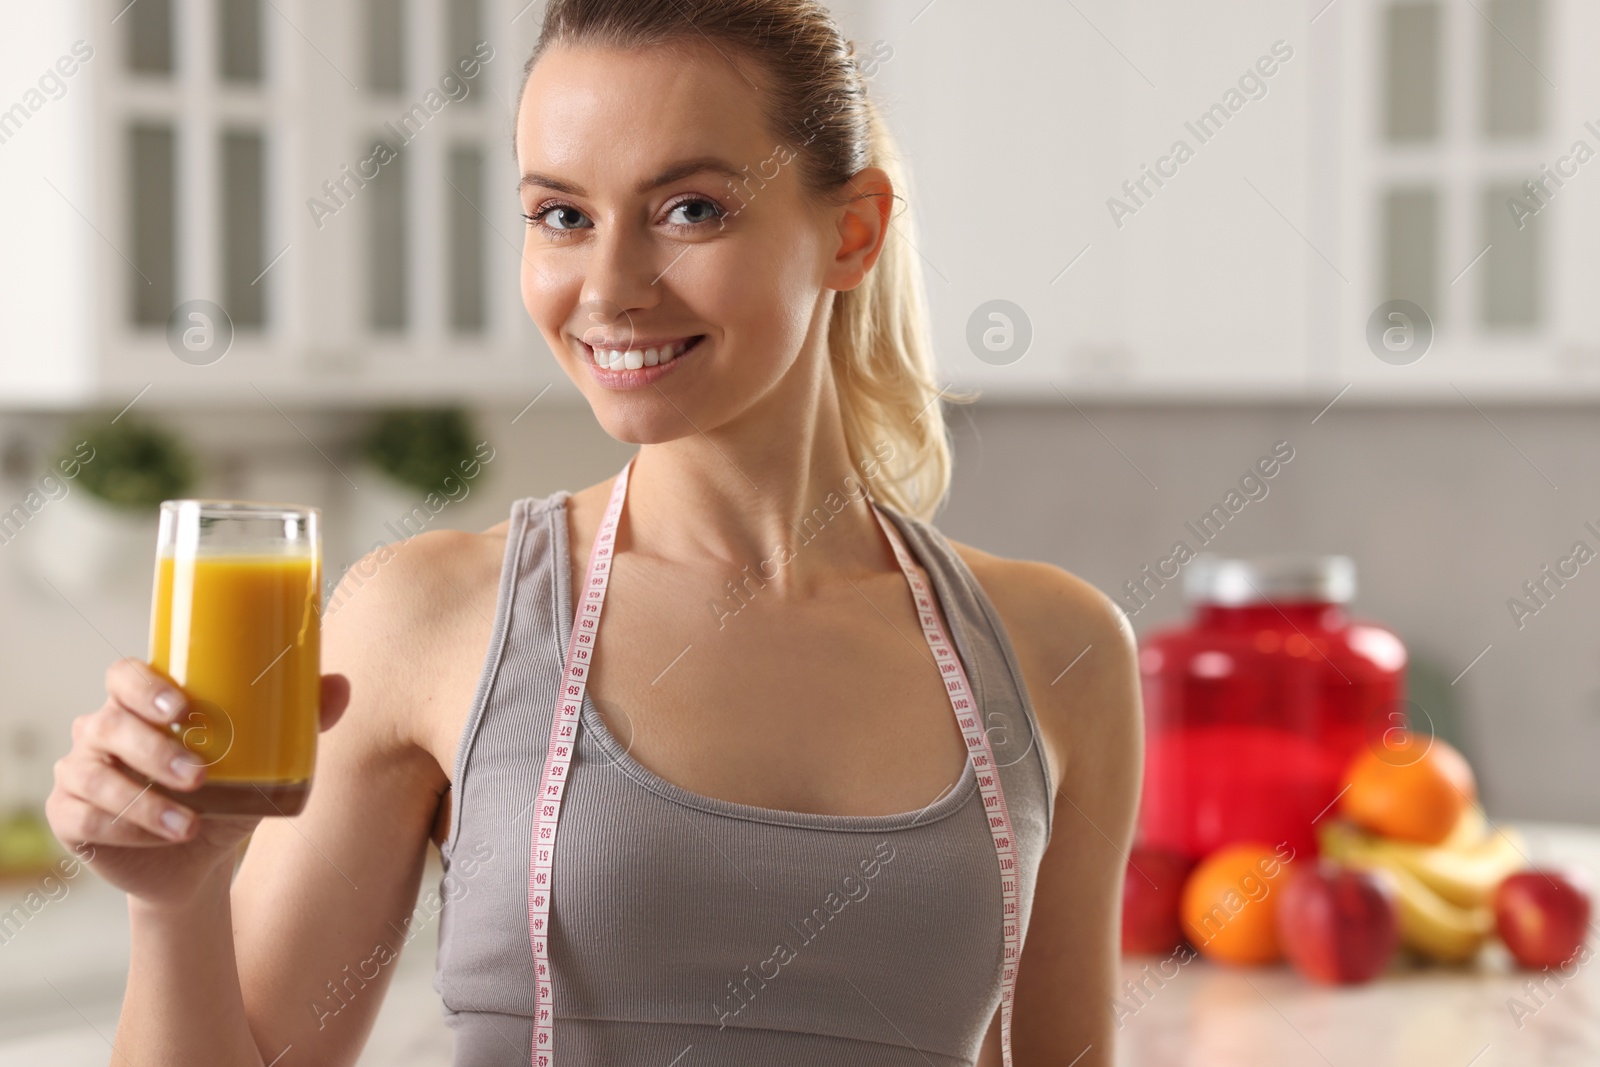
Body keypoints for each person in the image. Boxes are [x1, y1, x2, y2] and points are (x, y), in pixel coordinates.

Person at [46, 1, 1141, 1063]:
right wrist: (172, 900)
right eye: (561, 215)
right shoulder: (429, 617)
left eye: (690, 210)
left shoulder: (1056, 648)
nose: (610, 288)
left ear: (850, 232)